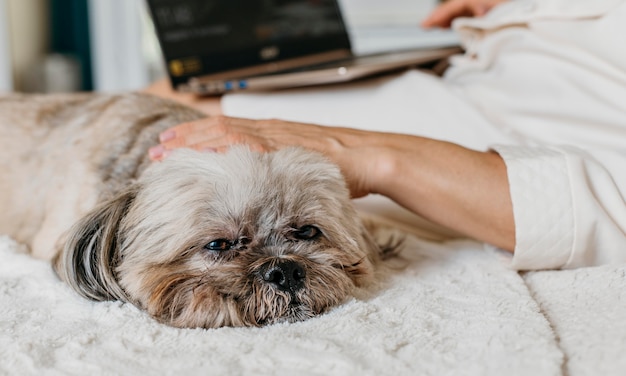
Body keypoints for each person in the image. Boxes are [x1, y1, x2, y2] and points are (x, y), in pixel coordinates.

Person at [144, 0, 626, 270]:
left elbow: (599, 207)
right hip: (485, 48)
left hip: (539, 119)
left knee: (182, 113)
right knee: (185, 87)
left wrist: (359, 153)